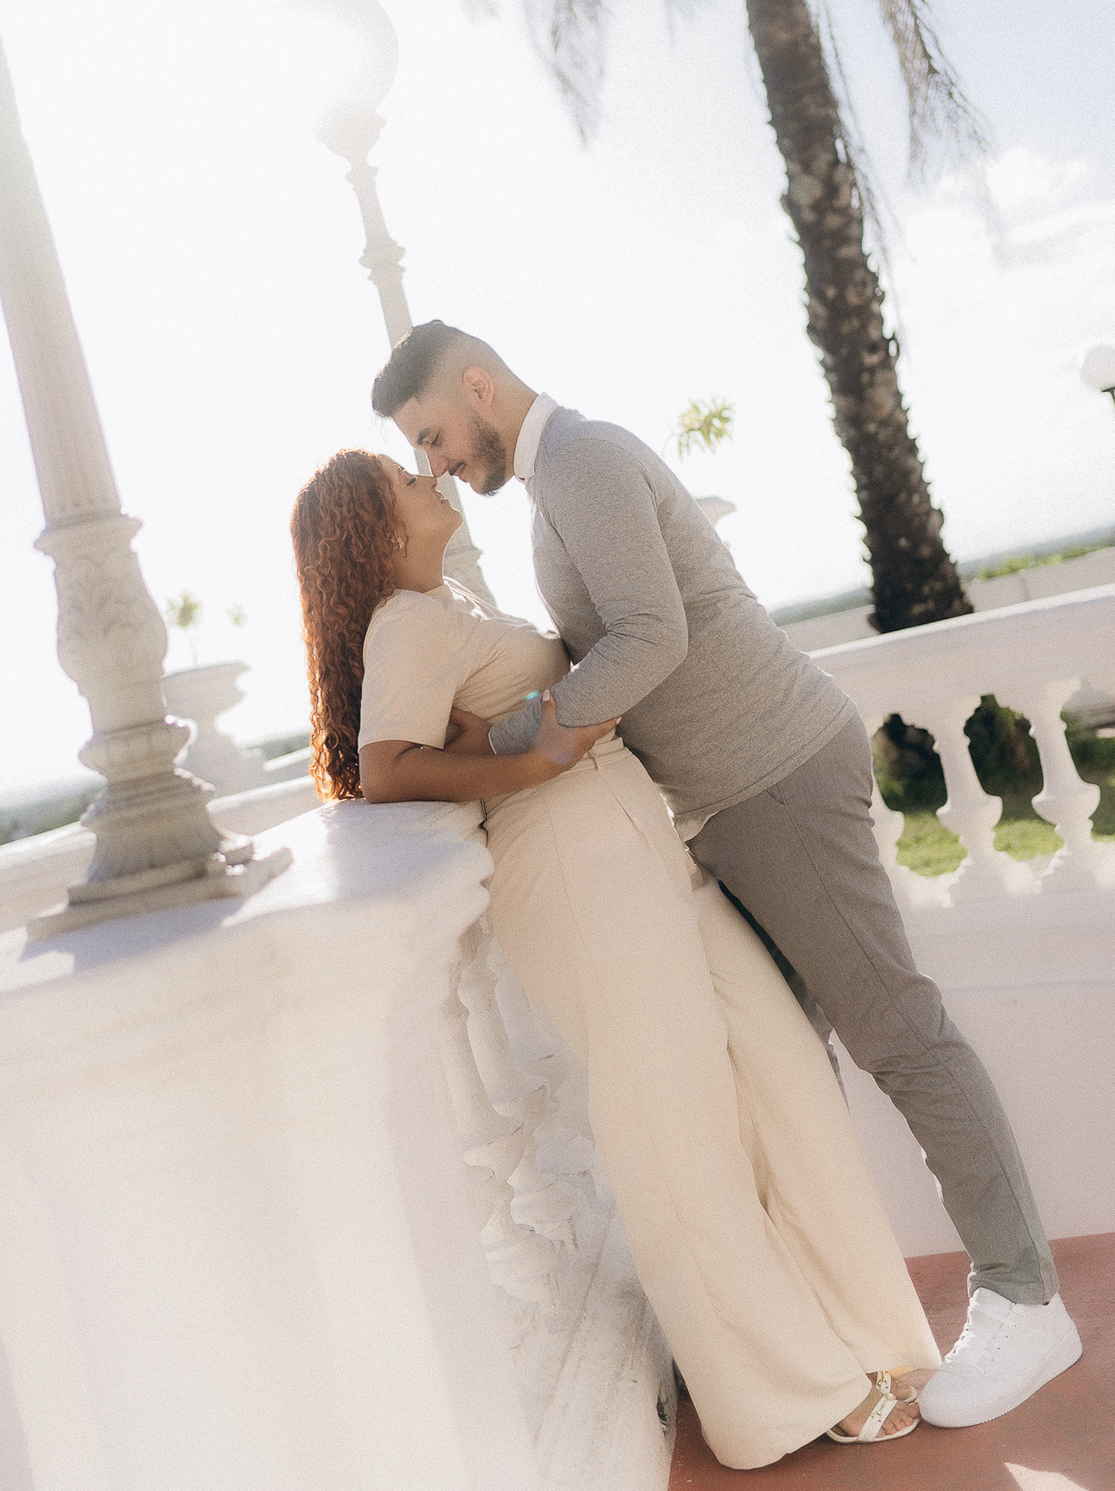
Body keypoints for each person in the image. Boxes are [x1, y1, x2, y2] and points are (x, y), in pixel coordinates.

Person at [370, 319, 1083, 1432]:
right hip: (730, 804)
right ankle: (821, 1335)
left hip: (776, 776)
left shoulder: (586, 460)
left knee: (899, 1030)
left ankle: (1026, 1297)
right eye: (419, 451)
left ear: (476, 385)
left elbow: (651, 638)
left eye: (433, 435)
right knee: (786, 1072)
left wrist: (512, 732)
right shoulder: (558, 481)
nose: (435, 462)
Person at [290, 447, 941, 1471]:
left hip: (645, 853)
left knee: (779, 1071)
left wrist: (523, 732)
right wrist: (532, 757)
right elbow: (383, 771)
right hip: (578, 883)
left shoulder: (448, 600)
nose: (433, 482)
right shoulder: (403, 623)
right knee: (675, 1134)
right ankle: (776, 1394)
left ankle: (863, 1330)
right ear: (370, 527)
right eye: (407, 485)